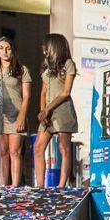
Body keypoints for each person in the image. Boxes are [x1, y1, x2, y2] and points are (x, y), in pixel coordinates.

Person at [0, 37, 31, 186]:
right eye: (1, 48)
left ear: (12, 50)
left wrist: (22, 116)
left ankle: (15, 187)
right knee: (2, 152)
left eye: (8, 48)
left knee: (14, 152)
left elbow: (27, 96)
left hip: (16, 114)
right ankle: (3, 187)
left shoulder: (22, 70)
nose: (4, 51)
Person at [33, 34, 77, 187]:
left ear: (54, 46)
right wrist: (42, 111)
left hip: (62, 110)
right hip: (47, 113)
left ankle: (61, 185)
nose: (43, 49)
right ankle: (39, 185)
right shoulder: (46, 66)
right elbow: (43, 92)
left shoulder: (68, 64)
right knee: (38, 146)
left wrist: (47, 109)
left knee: (63, 147)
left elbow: (66, 92)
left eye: (46, 46)